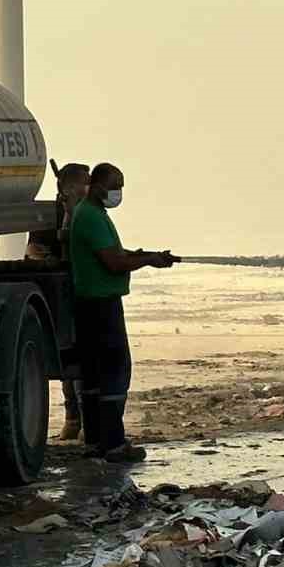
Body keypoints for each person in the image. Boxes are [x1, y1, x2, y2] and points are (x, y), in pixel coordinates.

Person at [68, 163, 176, 464]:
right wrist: (146, 261)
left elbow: (113, 253)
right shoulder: (91, 216)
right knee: (115, 372)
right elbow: (113, 264)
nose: (119, 192)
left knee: (94, 376)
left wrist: (144, 256)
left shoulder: (91, 214)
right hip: (101, 305)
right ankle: (114, 444)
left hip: (89, 304)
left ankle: (95, 442)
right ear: (99, 185)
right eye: (116, 185)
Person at [26, 161, 93, 441]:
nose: (89, 187)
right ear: (69, 186)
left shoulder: (87, 213)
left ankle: (86, 421)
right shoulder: (50, 214)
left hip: (84, 292)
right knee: (69, 362)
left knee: (84, 361)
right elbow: (34, 250)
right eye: (85, 182)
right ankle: (73, 419)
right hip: (59, 295)